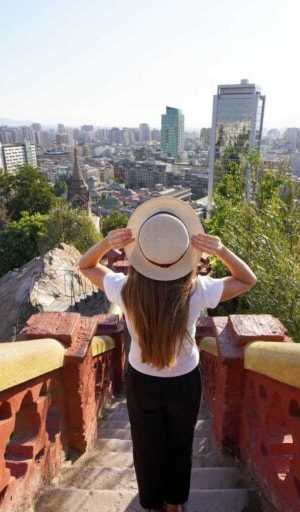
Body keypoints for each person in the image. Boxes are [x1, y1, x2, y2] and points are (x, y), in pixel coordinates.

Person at [79, 197, 257, 512]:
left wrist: (107, 242)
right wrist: (220, 250)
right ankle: (175, 504)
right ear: (183, 253)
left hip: (142, 383)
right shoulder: (197, 289)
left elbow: (85, 265)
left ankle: (152, 505)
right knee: (180, 444)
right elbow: (247, 279)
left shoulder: (124, 288)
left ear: (141, 252)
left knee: (146, 449)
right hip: (185, 382)